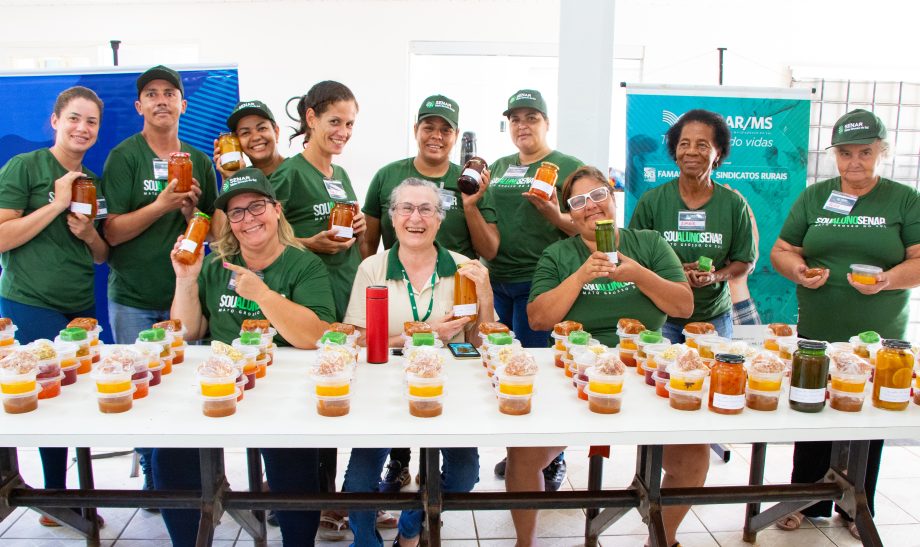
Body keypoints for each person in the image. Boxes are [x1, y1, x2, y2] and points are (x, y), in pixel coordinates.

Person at [156, 168, 336, 547]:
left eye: (256, 207)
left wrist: (263, 294)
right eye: (235, 212)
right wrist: (185, 279)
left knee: (294, 464)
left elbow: (314, 336)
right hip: (221, 380)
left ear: (276, 210)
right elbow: (188, 331)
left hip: (282, 387)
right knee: (170, 455)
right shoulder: (214, 264)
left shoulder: (304, 265)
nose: (247, 219)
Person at [516, 166, 695, 547]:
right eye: (578, 202)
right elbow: (538, 319)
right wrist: (580, 276)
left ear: (613, 198)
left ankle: (662, 539)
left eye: (597, 195)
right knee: (522, 455)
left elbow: (683, 306)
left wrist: (638, 275)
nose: (590, 206)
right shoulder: (559, 254)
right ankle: (524, 542)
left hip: (643, 371)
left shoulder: (647, 243)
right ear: (569, 212)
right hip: (572, 374)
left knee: (693, 458)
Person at [770, 109, 920, 540]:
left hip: (879, 335)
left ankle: (857, 506)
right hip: (818, 327)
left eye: (865, 152)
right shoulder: (815, 197)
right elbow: (783, 249)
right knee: (811, 408)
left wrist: (888, 280)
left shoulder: (903, 199)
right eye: (846, 153)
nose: (855, 162)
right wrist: (799, 270)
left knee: (869, 417)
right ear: (834, 154)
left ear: (882, 152)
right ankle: (806, 498)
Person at [341, 178, 490, 547]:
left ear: (440, 219)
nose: (415, 218)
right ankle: (365, 542)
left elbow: (479, 342)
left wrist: (485, 294)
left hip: (447, 389)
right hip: (382, 386)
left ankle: (409, 528)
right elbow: (356, 339)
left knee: (464, 475)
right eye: (406, 208)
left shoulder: (462, 268)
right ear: (392, 217)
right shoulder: (373, 269)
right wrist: (426, 333)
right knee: (357, 485)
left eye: (426, 209)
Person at [361, 94, 499, 494]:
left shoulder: (470, 179)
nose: (436, 135)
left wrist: (471, 205)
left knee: (446, 383)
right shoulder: (388, 175)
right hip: (400, 288)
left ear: (455, 136)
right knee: (396, 379)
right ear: (416, 130)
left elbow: (489, 249)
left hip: (455, 290)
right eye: (429, 126)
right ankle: (399, 463)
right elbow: (369, 243)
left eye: (445, 129)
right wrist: (371, 284)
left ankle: (440, 471)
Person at [100, 64, 218, 496]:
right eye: (152, 93)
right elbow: (110, 232)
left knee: (190, 389)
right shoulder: (124, 157)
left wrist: (191, 216)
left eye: (170, 92)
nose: (162, 99)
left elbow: (210, 227)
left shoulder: (200, 161)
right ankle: (153, 474)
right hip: (133, 297)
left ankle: (193, 477)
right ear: (139, 106)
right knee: (142, 388)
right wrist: (162, 204)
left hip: (187, 299)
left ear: (183, 104)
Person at [0, 86, 108, 528]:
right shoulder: (25, 168)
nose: (82, 128)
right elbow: (3, 236)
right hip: (30, 301)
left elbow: (101, 255)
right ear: (55, 121)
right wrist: (57, 204)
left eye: (91, 122)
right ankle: (55, 499)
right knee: (44, 395)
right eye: (74, 119)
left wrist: (87, 234)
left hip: (78, 306)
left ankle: (70, 494)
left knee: (75, 401)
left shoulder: (92, 181)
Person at [486, 89, 583, 490]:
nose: (522, 126)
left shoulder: (568, 167)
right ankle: (521, 455)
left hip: (541, 283)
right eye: (515, 119)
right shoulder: (500, 166)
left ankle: (550, 458)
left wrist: (554, 214)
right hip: (499, 282)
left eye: (531, 118)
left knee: (540, 373)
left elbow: (585, 228)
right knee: (510, 370)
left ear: (546, 122)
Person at [629, 108, 755, 342]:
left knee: (712, 376)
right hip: (661, 317)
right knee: (659, 377)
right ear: (675, 152)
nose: (691, 152)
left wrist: (715, 276)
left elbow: (745, 261)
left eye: (703, 145)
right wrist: (674, 273)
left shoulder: (733, 204)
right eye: (684, 144)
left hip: (713, 319)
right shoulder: (652, 201)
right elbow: (634, 257)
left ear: (718, 154)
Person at [271, 80, 364, 322]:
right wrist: (308, 243)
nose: (343, 132)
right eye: (335, 122)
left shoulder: (341, 175)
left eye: (349, 124)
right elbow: (261, 238)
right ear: (311, 118)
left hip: (349, 290)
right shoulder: (289, 173)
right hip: (311, 296)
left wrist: (359, 227)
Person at [213, 100, 285, 179]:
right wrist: (231, 178)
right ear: (236, 142)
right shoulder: (241, 176)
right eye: (245, 133)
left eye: (262, 128)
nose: (256, 137)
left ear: (276, 132)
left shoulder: (297, 169)